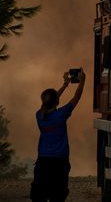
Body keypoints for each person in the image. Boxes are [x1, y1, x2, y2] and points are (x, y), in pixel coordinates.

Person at [31, 69, 85, 202]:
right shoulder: (60, 115)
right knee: (57, 197)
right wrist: (81, 82)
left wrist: (65, 85)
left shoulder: (39, 116)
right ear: (57, 102)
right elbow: (76, 98)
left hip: (43, 162)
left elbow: (50, 102)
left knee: (40, 196)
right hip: (59, 162)